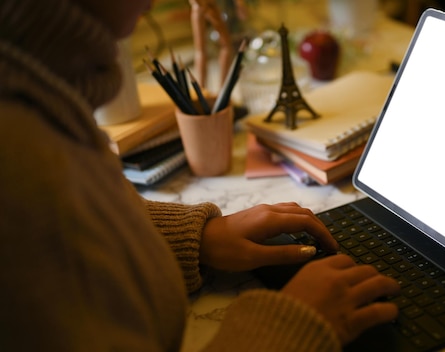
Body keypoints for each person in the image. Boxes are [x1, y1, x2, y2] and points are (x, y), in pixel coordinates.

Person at [0, 0, 400, 351]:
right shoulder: (19, 158)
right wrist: (289, 325)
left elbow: (77, 221)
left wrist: (192, 237)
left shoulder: (36, 92)